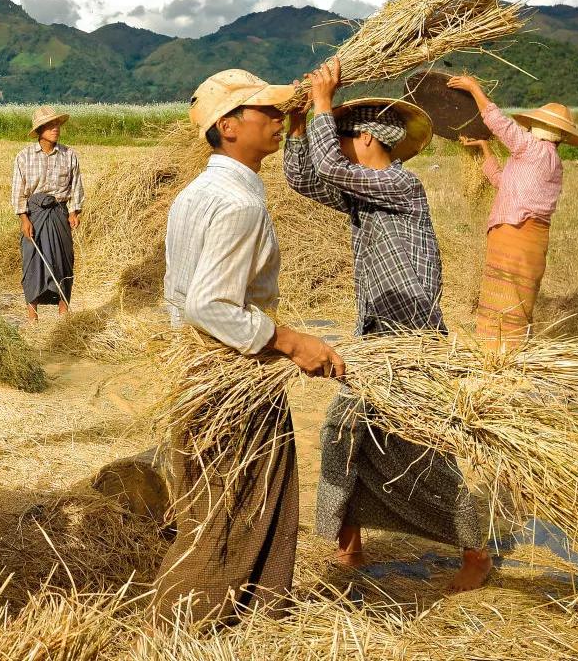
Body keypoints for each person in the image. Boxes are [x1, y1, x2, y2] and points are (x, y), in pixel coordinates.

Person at [286, 59, 491, 593]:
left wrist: (324, 103)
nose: (339, 142)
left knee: (421, 449)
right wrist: (298, 123)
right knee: (345, 437)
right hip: (379, 337)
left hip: (412, 340)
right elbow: (304, 176)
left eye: (346, 133)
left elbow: (328, 168)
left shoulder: (401, 186)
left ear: (371, 140)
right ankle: (348, 545)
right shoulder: (363, 192)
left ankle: (476, 552)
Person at [153, 69, 344, 626]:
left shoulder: (198, 193)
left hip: (199, 371)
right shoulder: (239, 206)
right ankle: (189, 617)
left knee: (219, 500)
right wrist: (291, 341)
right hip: (231, 369)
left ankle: (244, 612)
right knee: (238, 506)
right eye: (267, 113)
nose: (278, 121)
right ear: (229, 127)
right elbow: (209, 304)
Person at [452, 76, 578, 352]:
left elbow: (499, 123)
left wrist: (474, 88)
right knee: (520, 299)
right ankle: (513, 352)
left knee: (502, 297)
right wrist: (485, 148)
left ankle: (498, 355)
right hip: (535, 242)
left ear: (537, 128)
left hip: (512, 234)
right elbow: (504, 183)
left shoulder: (530, 148)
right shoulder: (553, 162)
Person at [11, 105, 83, 321]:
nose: (56, 129)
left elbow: (76, 186)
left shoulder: (69, 155)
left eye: (57, 125)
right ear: (40, 130)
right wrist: (24, 218)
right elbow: (18, 191)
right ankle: (32, 315)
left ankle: (63, 312)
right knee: (33, 260)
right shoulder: (24, 157)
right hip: (34, 214)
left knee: (63, 260)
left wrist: (74, 212)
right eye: (50, 126)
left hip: (59, 213)